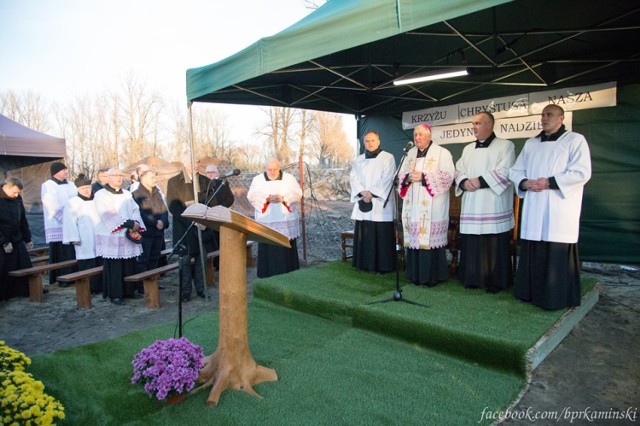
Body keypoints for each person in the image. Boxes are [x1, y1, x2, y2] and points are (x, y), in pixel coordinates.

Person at [509, 104, 592, 310]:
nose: (544, 118)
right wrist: (524, 182)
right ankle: (528, 292)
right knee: (534, 247)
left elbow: (582, 172)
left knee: (555, 248)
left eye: (550, 115)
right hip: (535, 205)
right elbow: (515, 170)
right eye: (543, 115)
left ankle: (556, 297)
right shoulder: (531, 143)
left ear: (561, 119)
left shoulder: (574, 140)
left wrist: (550, 182)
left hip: (559, 208)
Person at [454, 112, 516, 292]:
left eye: (478, 123)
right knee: (472, 240)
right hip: (472, 201)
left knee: (493, 240)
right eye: (472, 123)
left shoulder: (506, 146)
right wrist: (464, 181)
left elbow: (506, 171)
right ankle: (472, 278)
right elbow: (458, 170)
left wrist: (479, 181)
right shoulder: (467, 149)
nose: (473, 127)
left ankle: (495, 281)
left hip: (492, 202)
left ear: (490, 125)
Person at [398, 123, 454, 287]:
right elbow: (401, 174)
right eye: (415, 135)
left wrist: (423, 177)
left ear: (429, 136)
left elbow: (447, 177)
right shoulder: (410, 154)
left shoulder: (442, 153)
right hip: (413, 206)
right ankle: (414, 274)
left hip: (433, 206)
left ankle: (431, 276)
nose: (417, 138)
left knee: (429, 240)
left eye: (421, 135)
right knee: (415, 238)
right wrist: (407, 178)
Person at [94, 168, 145, 305]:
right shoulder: (101, 194)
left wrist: (136, 222)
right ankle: (115, 294)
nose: (119, 178)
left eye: (120, 175)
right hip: (112, 235)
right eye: (115, 175)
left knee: (129, 264)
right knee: (115, 266)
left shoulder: (127, 194)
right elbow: (106, 213)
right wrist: (128, 223)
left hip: (127, 235)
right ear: (108, 177)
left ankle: (130, 291)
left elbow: (135, 209)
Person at [349, 130, 397, 273]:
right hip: (364, 200)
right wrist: (363, 192)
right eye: (367, 141)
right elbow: (353, 178)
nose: (370, 143)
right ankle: (364, 264)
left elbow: (388, 178)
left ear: (379, 141)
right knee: (365, 232)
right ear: (364, 143)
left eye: (373, 140)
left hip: (380, 203)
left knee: (381, 234)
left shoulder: (388, 158)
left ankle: (383, 266)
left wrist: (371, 193)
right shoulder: (358, 160)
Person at [247, 159, 303, 278]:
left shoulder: (289, 178)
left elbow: (298, 193)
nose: (272, 172)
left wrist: (284, 198)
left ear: (279, 168)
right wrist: (266, 199)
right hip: (266, 220)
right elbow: (251, 196)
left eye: (275, 169)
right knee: (268, 246)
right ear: (265, 168)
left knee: (285, 247)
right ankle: (266, 274)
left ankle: (289, 273)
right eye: (269, 169)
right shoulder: (258, 180)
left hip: (285, 220)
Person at [166, 155, 210, 302]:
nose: (196, 165)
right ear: (185, 164)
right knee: (184, 261)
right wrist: (190, 219)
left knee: (201, 259)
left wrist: (205, 218)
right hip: (184, 228)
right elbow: (173, 206)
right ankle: (185, 291)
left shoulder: (204, 181)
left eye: (198, 162)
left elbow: (211, 201)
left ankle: (201, 289)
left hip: (202, 227)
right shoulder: (174, 182)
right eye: (194, 162)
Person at [62, 174, 103, 293]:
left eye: (88, 187)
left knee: (100, 259)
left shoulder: (97, 200)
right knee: (88, 261)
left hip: (99, 235)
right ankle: (90, 287)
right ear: (78, 189)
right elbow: (69, 222)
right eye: (83, 189)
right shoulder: (72, 202)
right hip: (84, 236)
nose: (86, 190)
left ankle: (101, 285)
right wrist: (74, 237)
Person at [41, 161, 77, 285]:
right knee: (62, 252)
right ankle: (62, 278)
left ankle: (74, 275)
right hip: (58, 223)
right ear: (56, 172)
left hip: (74, 221)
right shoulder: (48, 185)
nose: (66, 171)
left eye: (66, 169)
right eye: (63, 170)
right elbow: (51, 205)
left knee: (72, 251)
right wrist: (66, 219)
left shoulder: (72, 184)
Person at [132, 168, 169, 285]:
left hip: (158, 232)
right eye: (151, 177)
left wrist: (163, 221)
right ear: (143, 178)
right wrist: (155, 222)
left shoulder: (157, 192)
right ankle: (143, 286)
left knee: (155, 258)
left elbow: (164, 210)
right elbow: (140, 213)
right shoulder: (136, 194)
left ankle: (153, 283)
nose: (154, 180)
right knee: (144, 259)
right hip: (146, 233)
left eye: (155, 177)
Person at [0, 177, 34, 301]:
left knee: (24, 265)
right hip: (3, 240)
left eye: (18, 193)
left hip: (17, 238)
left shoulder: (17, 198)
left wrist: (27, 238)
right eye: (14, 192)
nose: (16, 195)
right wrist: (4, 242)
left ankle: (24, 290)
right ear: (5, 188)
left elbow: (23, 219)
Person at [203, 165, 235, 258]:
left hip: (220, 215)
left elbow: (230, 199)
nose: (210, 174)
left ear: (217, 173)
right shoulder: (202, 185)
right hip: (207, 216)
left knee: (220, 238)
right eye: (208, 172)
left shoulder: (223, 183)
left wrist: (220, 208)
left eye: (213, 172)